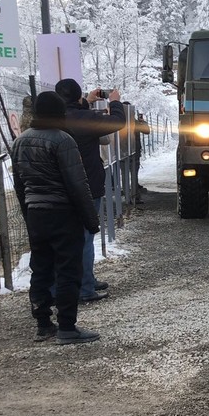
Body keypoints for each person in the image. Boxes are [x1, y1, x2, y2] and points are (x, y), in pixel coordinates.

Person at [12, 91, 102, 344]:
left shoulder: (21, 141)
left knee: (40, 269)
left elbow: (20, 184)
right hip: (63, 214)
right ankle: (67, 327)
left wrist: (28, 214)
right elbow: (77, 183)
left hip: (36, 214)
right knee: (68, 270)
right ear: (60, 113)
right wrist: (90, 219)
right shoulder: (63, 140)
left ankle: (43, 323)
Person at [55, 79, 126, 302]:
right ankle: (85, 287)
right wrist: (115, 102)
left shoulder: (54, 119)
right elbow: (117, 122)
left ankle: (82, 280)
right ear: (77, 97)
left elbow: (74, 113)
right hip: (87, 184)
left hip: (60, 186)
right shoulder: (85, 118)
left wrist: (86, 101)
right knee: (85, 237)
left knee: (67, 237)